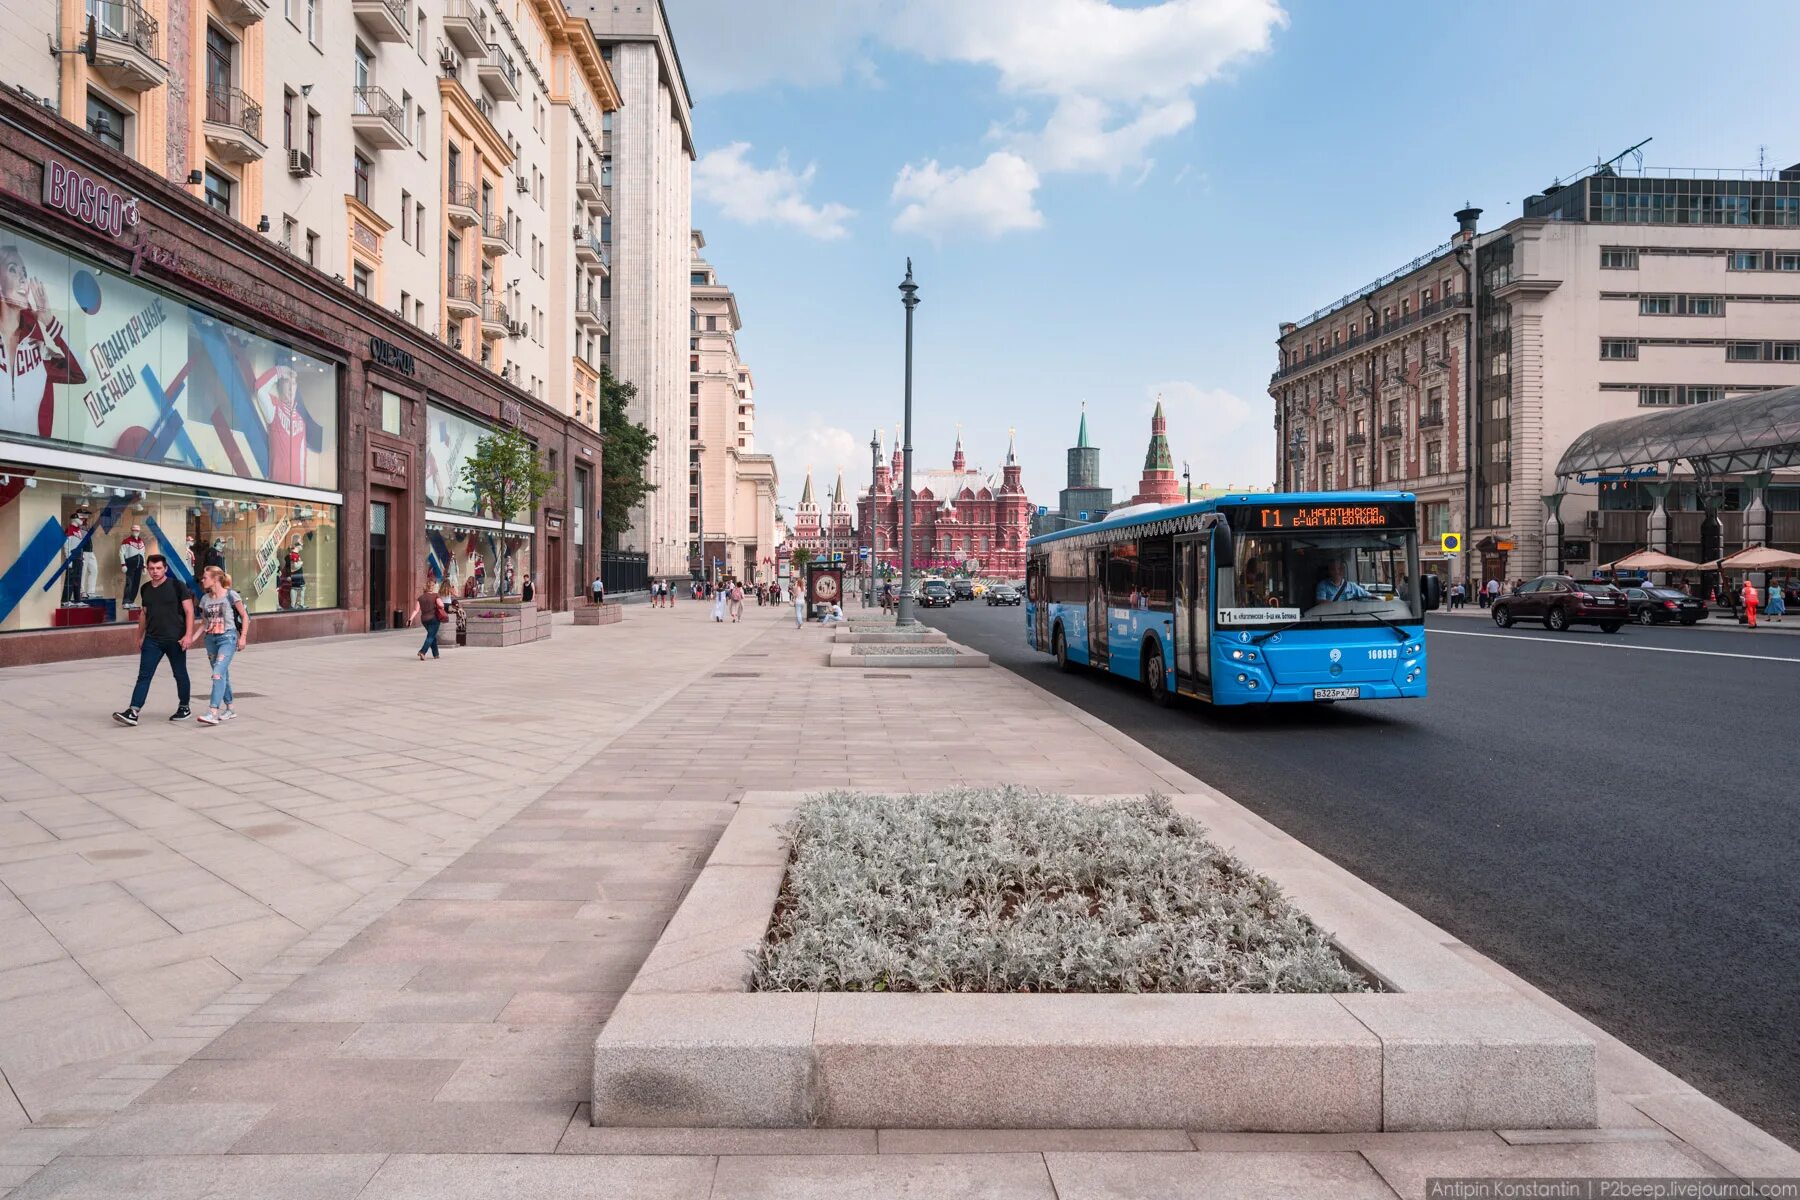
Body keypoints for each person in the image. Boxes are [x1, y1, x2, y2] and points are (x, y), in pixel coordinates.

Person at [112, 554, 195, 726]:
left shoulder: (177, 585)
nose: (155, 572)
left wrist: (188, 635)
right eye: (151, 568)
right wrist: (139, 636)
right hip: (153, 639)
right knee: (144, 675)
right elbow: (144, 613)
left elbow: (189, 611)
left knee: (180, 674)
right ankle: (133, 711)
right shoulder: (146, 588)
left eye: (158, 568)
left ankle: (184, 706)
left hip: (176, 639)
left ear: (165, 569)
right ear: (147, 569)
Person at [185, 566, 247, 726]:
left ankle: (212, 712)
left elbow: (245, 617)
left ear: (215, 579)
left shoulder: (230, 595)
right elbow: (204, 623)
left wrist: (243, 638)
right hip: (210, 640)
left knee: (217, 674)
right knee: (222, 673)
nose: (202, 580)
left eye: (205, 577)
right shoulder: (205, 599)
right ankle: (230, 708)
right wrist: (191, 638)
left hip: (228, 638)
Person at [418, 579, 444, 661]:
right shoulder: (435, 595)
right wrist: (440, 606)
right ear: (432, 587)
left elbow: (416, 610)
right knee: (431, 636)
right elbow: (441, 605)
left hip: (424, 620)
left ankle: (436, 654)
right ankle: (422, 651)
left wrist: (411, 619)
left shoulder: (421, 597)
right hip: (434, 618)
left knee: (433, 636)